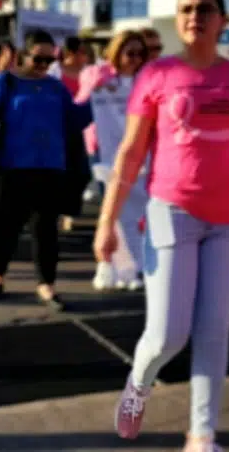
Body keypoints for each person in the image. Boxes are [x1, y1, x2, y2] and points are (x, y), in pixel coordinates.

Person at [93, 0, 229, 452]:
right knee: (167, 333)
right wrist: (107, 222)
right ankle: (138, 385)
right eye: (185, 9)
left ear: (222, 20)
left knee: (213, 330)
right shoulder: (157, 75)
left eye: (205, 9)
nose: (194, 16)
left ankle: (201, 435)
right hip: (172, 215)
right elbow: (129, 153)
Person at [0, 29, 92, 311]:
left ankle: (47, 284)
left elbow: (74, 120)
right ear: (24, 55)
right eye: (38, 59)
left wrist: (99, 95)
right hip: (10, 168)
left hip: (50, 167)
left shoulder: (55, 87)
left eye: (49, 60)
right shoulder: (3, 83)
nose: (44, 66)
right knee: (7, 226)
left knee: (46, 228)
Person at [78, 30, 151, 291]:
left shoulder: (147, 80)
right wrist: (94, 84)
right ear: (116, 53)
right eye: (129, 53)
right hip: (107, 155)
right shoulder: (98, 77)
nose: (135, 59)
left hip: (144, 157)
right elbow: (80, 106)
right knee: (115, 215)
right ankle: (121, 268)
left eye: (140, 54)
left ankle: (137, 267)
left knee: (141, 215)